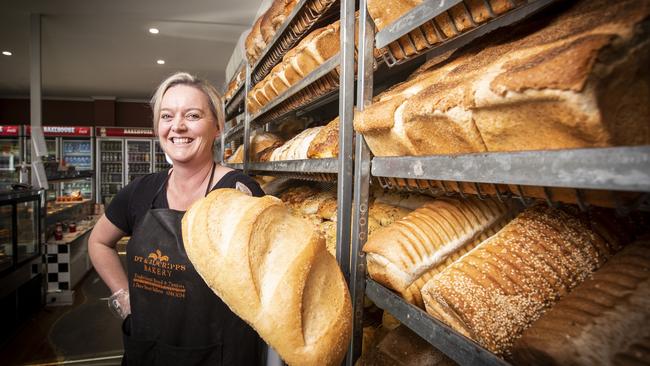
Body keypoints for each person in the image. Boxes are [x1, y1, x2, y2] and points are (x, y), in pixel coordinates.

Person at [89, 72, 266, 366]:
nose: (178, 126)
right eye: (167, 116)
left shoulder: (240, 193)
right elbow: (98, 241)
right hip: (148, 348)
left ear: (218, 126)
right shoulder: (140, 191)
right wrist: (123, 297)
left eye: (193, 115)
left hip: (218, 352)